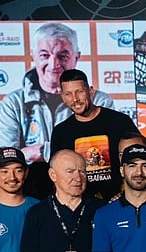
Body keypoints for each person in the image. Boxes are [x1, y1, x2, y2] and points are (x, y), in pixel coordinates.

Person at [0, 22, 117, 166]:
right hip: (32, 186)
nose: (53, 64)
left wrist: (43, 151)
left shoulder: (99, 101)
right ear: (33, 56)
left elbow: (100, 154)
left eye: (62, 56)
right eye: (44, 55)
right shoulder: (12, 103)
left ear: (76, 57)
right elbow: (6, 159)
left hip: (83, 184)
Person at [48, 68, 138, 199]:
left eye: (79, 92)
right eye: (68, 94)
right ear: (63, 97)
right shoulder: (61, 132)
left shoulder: (119, 121)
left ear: (90, 91)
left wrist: (126, 194)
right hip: (82, 204)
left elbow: (138, 158)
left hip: (121, 200)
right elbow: (57, 174)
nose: (75, 99)